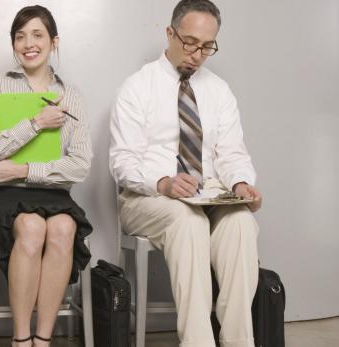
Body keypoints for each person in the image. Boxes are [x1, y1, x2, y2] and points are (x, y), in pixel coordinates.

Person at [109, 0, 262, 346]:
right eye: (190, 42)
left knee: (240, 223)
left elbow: (232, 152)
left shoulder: (219, 90)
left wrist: (240, 183)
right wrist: (163, 182)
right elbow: (122, 162)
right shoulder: (137, 87)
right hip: (147, 196)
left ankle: (239, 341)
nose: (197, 53)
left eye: (208, 47)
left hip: (207, 191)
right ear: (170, 33)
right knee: (188, 221)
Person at [0, 5, 93, 346]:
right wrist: (35, 123)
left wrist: (26, 170)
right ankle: (21, 339)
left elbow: (81, 165)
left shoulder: (72, 96)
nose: (28, 43)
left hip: (54, 195)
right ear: (13, 43)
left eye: (37, 35)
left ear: (54, 42)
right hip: (7, 198)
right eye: (20, 36)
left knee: (64, 227)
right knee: (31, 226)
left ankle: (44, 339)